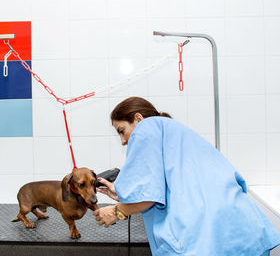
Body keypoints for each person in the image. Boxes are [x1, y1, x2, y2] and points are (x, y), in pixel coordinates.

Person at [93, 96, 280, 256]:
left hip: (207, 239)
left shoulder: (146, 127)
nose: (123, 141)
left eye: (122, 131)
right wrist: (125, 196)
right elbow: (170, 188)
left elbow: (149, 198)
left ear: (138, 118)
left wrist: (117, 211)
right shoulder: (177, 132)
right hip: (244, 228)